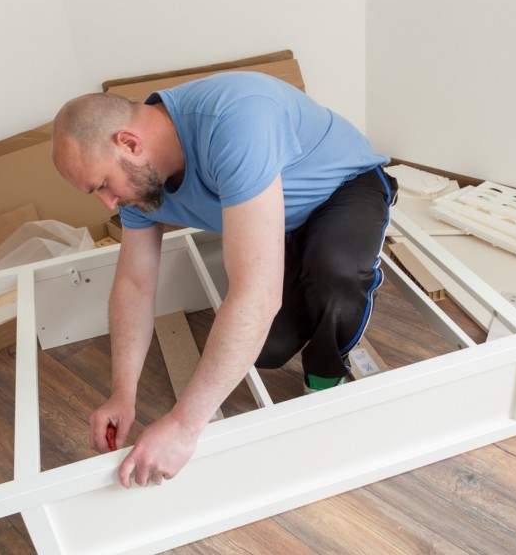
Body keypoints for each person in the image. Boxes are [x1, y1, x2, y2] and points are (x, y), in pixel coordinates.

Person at [51, 71, 397, 489]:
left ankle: (326, 373)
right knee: (264, 349)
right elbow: (134, 286)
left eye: (104, 185)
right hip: (284, 215)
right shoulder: (140, 183)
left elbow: (257, 295)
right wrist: (121, 393)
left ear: (129, 143)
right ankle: (305, 257)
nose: (109, 202)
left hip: (343, 188)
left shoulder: (236, 120)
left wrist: (183, 426)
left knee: (334, 277)